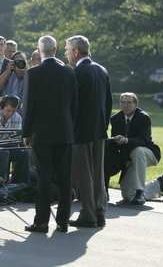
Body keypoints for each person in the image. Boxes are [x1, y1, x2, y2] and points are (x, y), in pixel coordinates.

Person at [22, 35, 77, 233]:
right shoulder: (69, 73)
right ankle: (63, 221)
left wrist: (26, 132)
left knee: (44, 178)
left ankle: (42, 221)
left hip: (41, 133)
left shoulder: (34, 73)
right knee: (64, 178)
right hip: (64, 132)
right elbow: (74, 105)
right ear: (55, 50)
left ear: (39, 50)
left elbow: (29, 106)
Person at [65, 35, 112, 228]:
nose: (66, 53)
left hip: (81, 131)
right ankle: (100, 212)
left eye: (67, 49)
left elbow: (71, 104)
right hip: (99, 129)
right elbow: (108, 102)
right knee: (97, 172)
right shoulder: (102, 70)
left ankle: (87, 213)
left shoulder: (76, 73)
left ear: (76, 52)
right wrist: (103, 124)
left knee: (83, 172)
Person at [105, 93, 163, 205]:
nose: (125, 105)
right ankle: (159, 185)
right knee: (128, 196)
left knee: (138, 150)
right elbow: (115, 146)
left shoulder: (143, 117)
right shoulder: (115, 119)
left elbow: (144, 140)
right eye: (123, 102)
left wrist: (126, 140)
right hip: (129, 159)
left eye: (129, 102)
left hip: (148, 153)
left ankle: (140, 193)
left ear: (136, 105)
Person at [0, 95, 30, 184]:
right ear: (2, 107)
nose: (10, 114)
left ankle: (21, 183)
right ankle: (0, 183)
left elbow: (17, 138)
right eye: (8, 111)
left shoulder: (17, 117)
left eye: (13, 111)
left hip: (9, 145)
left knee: (24, 153)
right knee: (4, 153)